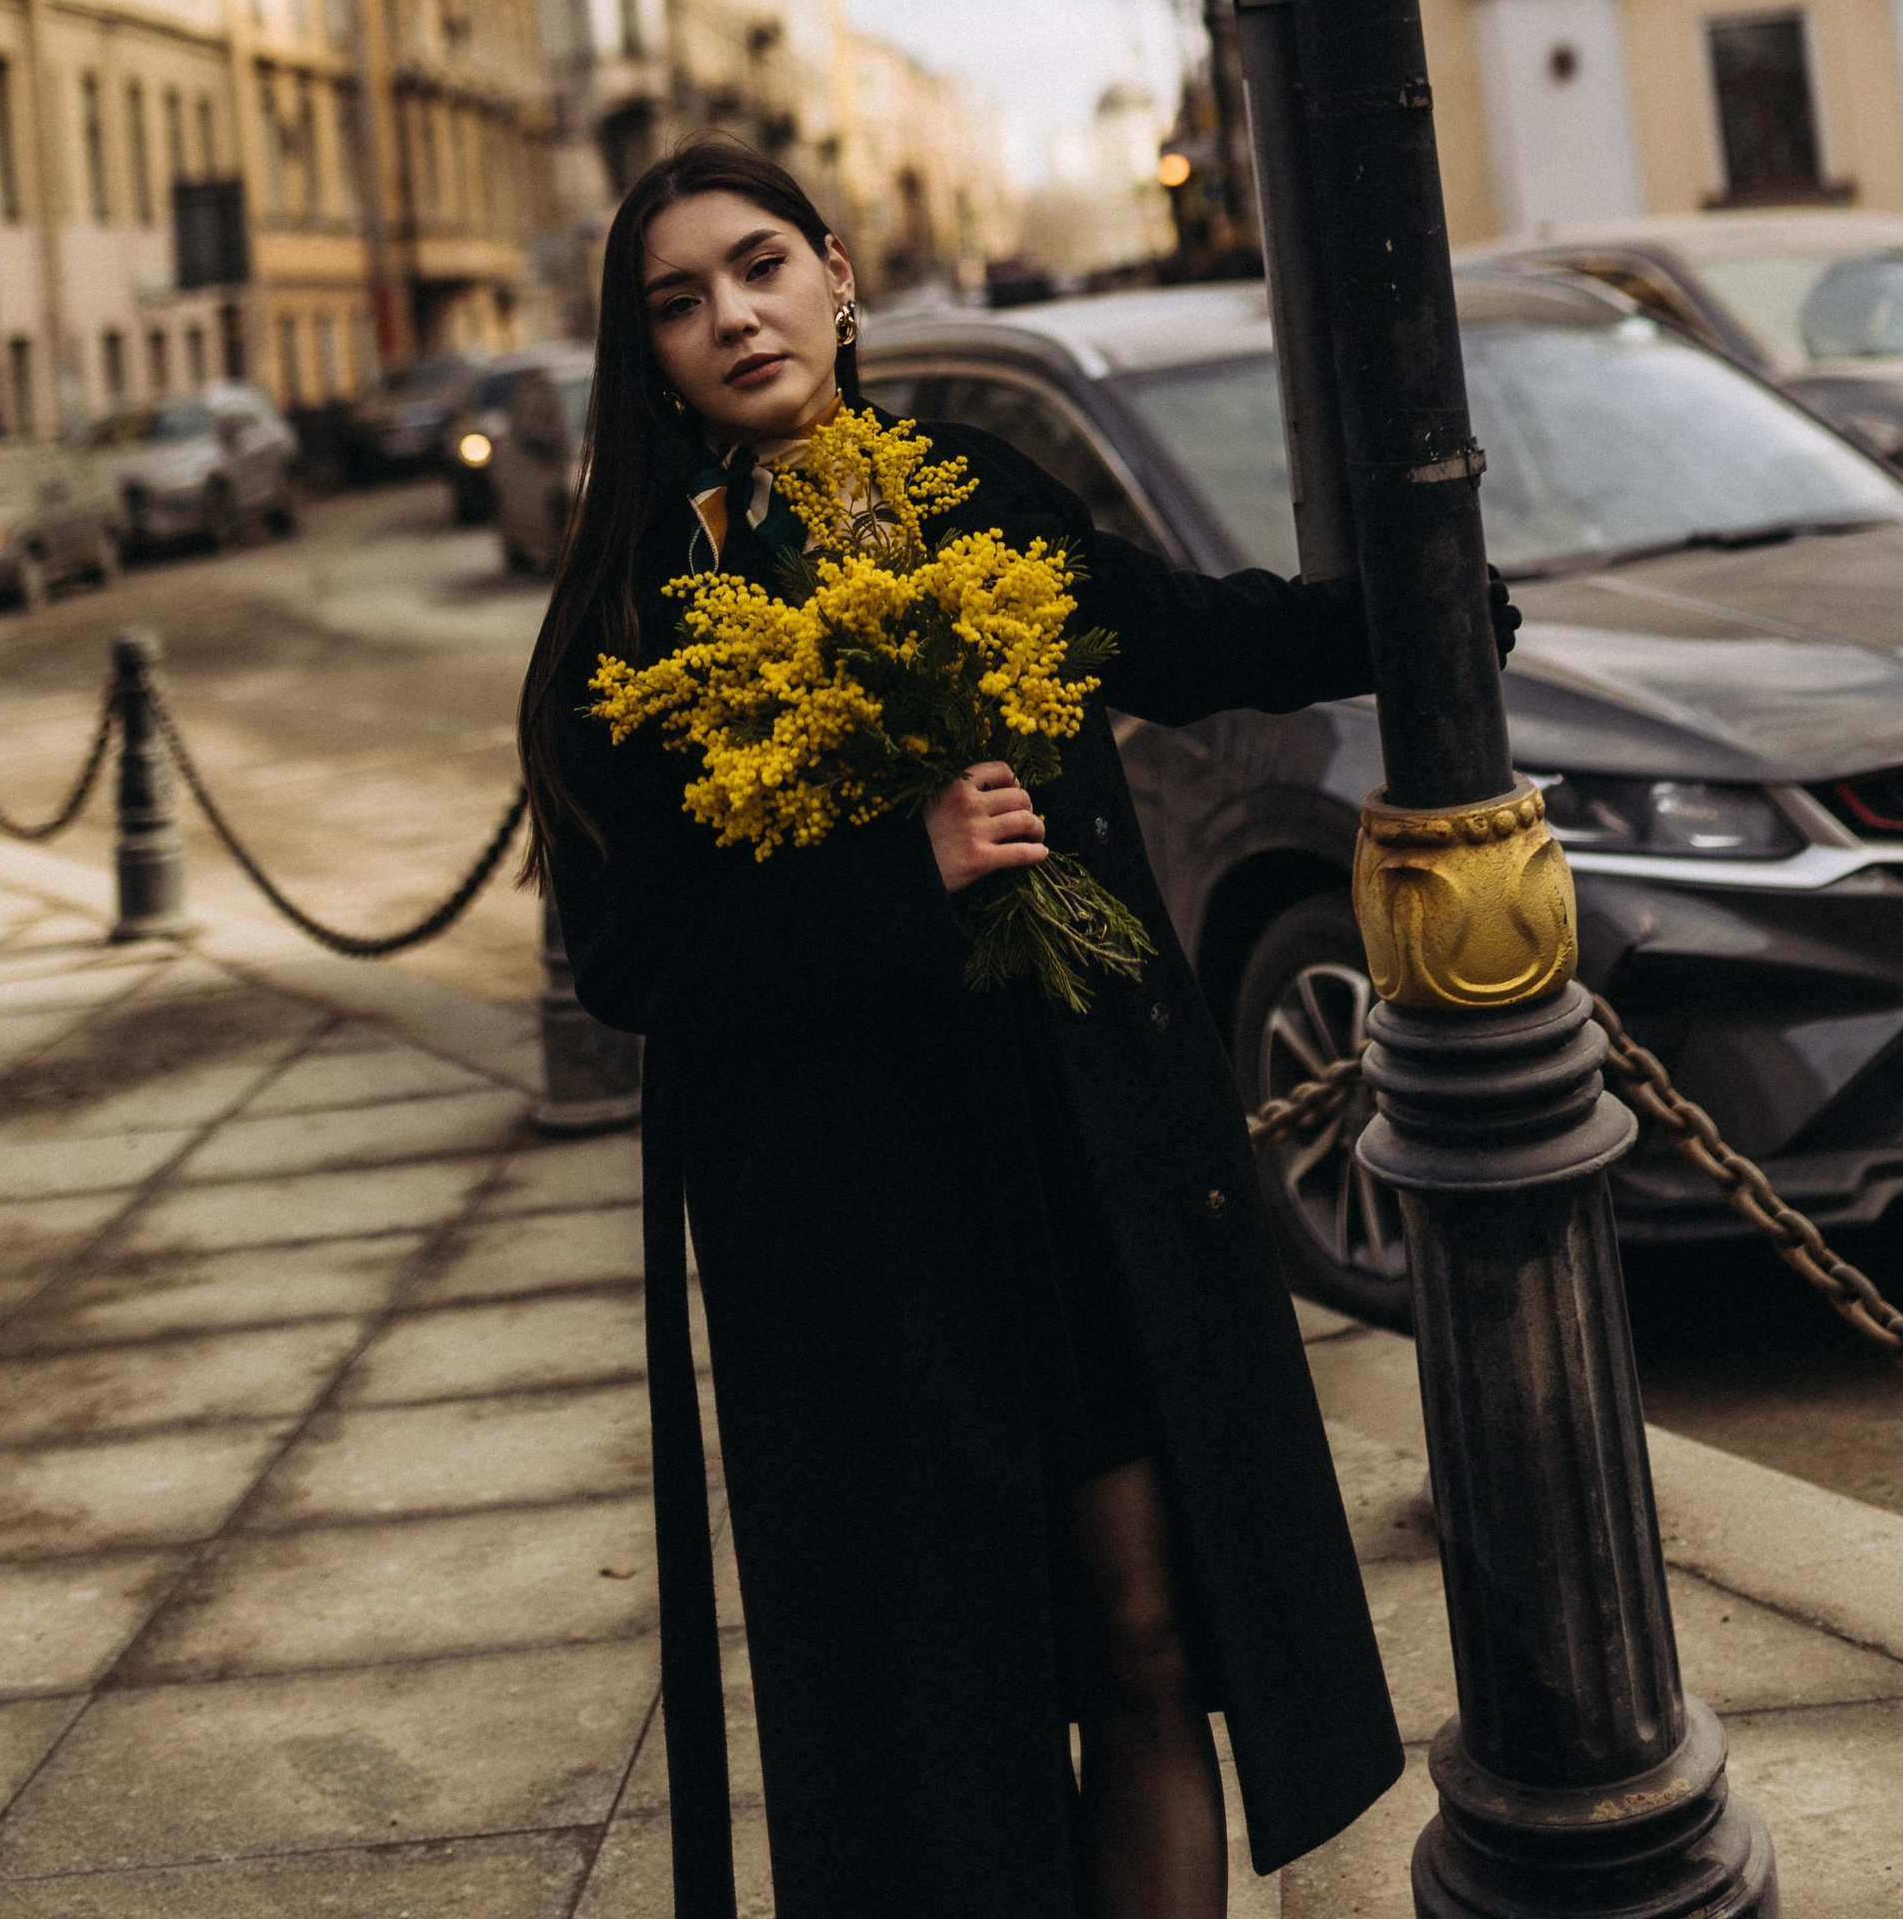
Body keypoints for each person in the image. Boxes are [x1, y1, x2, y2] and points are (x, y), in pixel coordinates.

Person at [519, 138, 1417, 1919]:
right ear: (651, 355)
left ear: (838, 276)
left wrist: (1423, 615)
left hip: (1084, 1160)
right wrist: (895, 876)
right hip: (870, 1240)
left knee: (1151, 1638)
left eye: (759, 267)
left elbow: (1168, 632)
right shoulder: (639, 601)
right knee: (950, 1732)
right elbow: (628, 956)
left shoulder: (963, 490)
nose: (732, 319)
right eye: (678, 303)